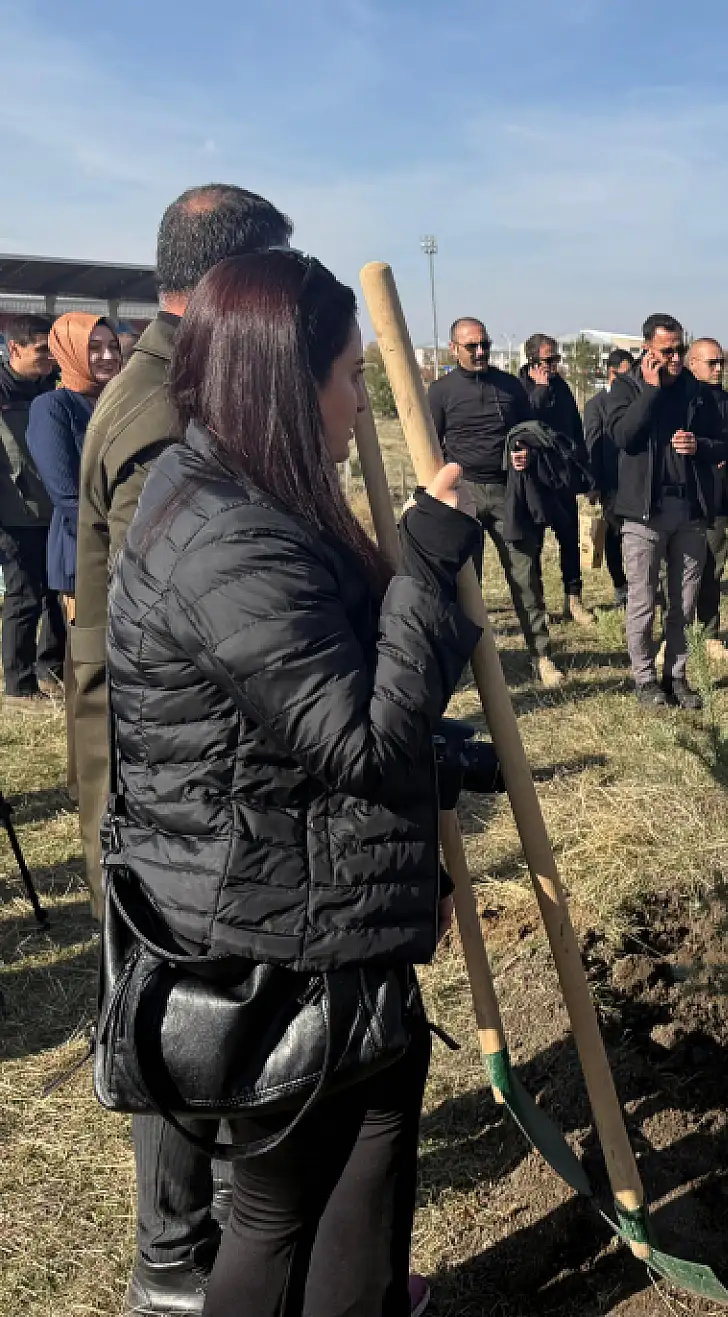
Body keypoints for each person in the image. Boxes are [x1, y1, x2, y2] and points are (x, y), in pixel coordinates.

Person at [107, 250, 479, 1317]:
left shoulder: (227, 490)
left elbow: (296, 719)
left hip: (290, 901)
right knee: (318, 1184)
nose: (359, 402)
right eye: (348, 377)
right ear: (285, 381)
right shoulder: (233, 538)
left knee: (301, 1183)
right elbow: (360, 742)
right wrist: (424, 563)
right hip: (283, 938)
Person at [71, 183, 297, 1317]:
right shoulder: (161, 409)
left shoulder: (180, 381)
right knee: (175, 1001)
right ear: (228, 284)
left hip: (172, 764)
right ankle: (173, 1255)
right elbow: (184, 610)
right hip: (159, 774)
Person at [428, 316, 560, 688]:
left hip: (507, 493)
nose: (481, 351)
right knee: (466, 583)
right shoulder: (440, 391)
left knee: (525, 575)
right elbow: (430, 445)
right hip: (463, 493)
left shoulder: (510, 386)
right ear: (454, 348)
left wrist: (524, 451)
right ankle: (466, 663)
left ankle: (541, 655)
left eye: (484, 344)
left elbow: (529, 431)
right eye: (472, 346)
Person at [605, 313, 728, 709]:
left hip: (688, 512)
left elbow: (725, 443)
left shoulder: (696, 392)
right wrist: (650, 391)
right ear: (648, 349)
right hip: (644, 514)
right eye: (666, 351)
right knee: (642, 603)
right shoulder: (626, 388)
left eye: (679, 349)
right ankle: (644, 680)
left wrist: (700, 446)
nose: (675, 358)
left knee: (684, 603)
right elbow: (623, 436)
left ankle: (675, 676)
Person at [27, 315, 124, 792]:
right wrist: (118, 537)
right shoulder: (53, 407)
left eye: (112, 346)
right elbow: (68, 496)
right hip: (84, 553)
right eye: (94, 347)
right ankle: (88, 781)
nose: (106, 356)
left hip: (129, 550)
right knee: (91, 674)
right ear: (68, 351)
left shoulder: (119, 401)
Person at [0, 315, 65, 701]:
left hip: (54, 509)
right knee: (24, 597)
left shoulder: (52, 386)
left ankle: (52, 670)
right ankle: (20, 685)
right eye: (41, 351)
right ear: (14, 348)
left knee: (58, 593)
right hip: (15, 513)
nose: (49, 359)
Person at [517, 333, 593, 628]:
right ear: (532, 361)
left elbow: (575, 429)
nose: (553, 365)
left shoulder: (562, 387)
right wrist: (540, 389)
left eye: (556, 359)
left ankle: (573, 601)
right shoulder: (519, 388)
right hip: (534, 481)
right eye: (548, 360)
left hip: (563, 479)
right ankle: (538, 607)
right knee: (533, 546)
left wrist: (585, 474)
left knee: (570, 542)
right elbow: (525, 425)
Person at [687, 337, 728, 661]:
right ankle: (674, 634)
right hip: (684, 497)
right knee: (677, 571)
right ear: (693, 363)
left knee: (712, 568)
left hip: (717, 500)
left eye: (721, 362)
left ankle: (710, 634)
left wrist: (718, 452)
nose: (719, 368)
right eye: (712, 363)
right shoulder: (682, 401)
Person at [583, 347, 634, 607]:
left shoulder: (635, 399)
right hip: (611, 484)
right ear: (612, 373)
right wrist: (593, 484)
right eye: (625, 374)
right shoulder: (596, 405)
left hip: (636, 482)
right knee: (614, 537)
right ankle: (620, 586)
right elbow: (592, 444)